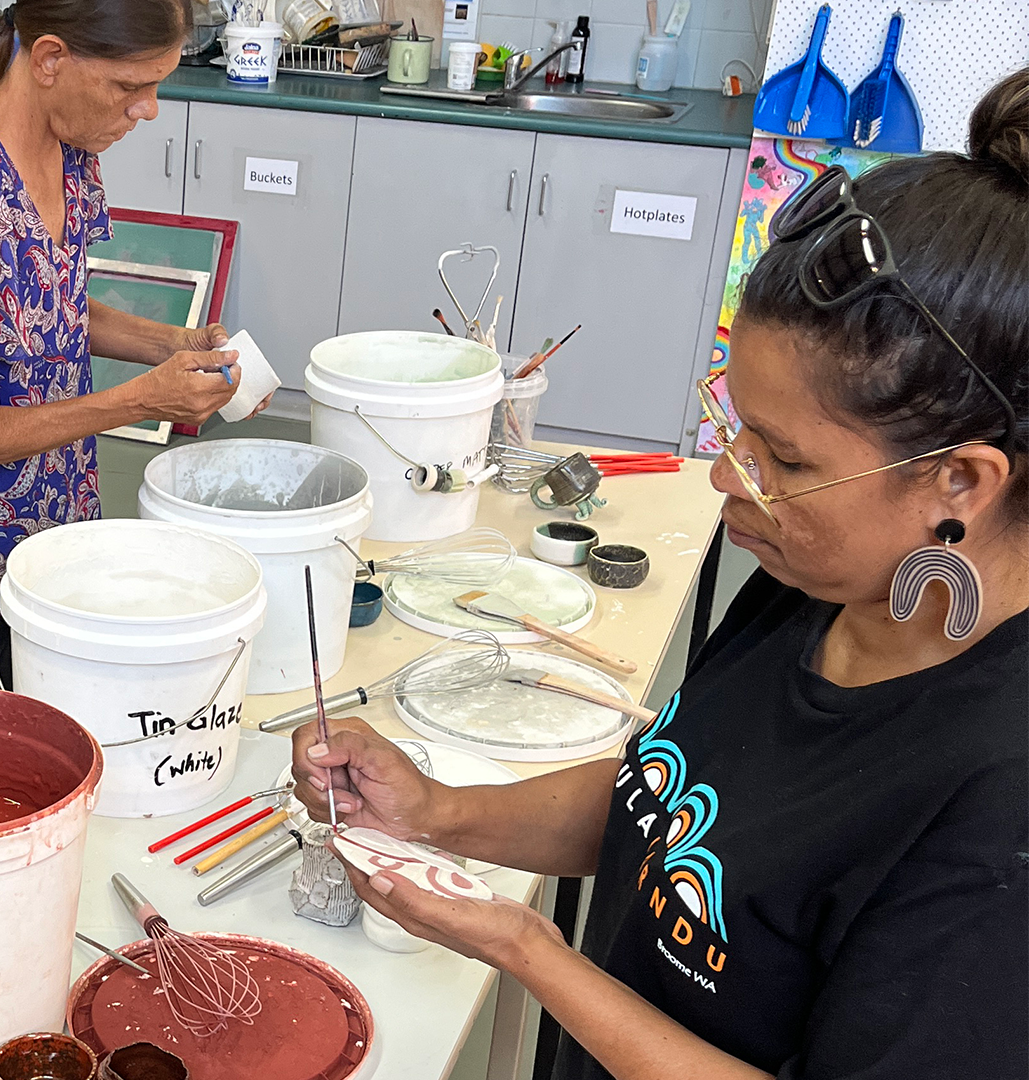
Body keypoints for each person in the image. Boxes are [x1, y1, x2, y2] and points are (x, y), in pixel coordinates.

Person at [295, 69, 1028, 1079]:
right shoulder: (829, 582)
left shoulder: (997, 799)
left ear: (962, 480)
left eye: (787, 459)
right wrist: (435, 811)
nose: (732, 476)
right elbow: (670, 810)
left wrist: (528, 952)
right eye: (738, 429)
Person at [0, 0, 264, 688]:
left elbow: (51, 304)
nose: (149, 109)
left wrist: (175, 342)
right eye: (130, 87)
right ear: (49, 60)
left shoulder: (68, 147)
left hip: (46, 509)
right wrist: (138, 401)